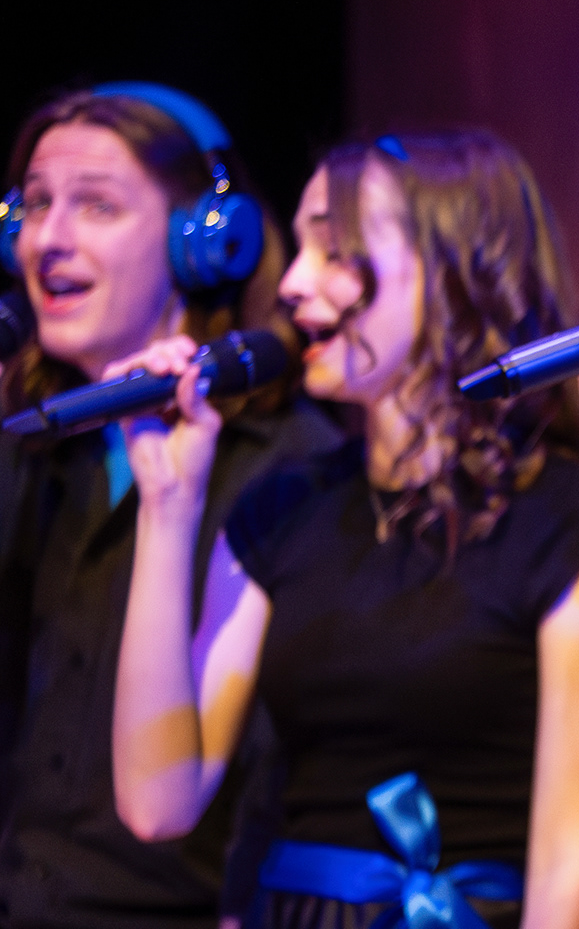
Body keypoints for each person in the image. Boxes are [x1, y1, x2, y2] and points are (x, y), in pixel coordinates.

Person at [109, 130, 579, 929]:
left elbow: (569, 860)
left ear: (457, 265)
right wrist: (168, 507)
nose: (294, 284)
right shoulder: (284, 505)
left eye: (338, 249)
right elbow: (156, 802)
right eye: (302, 246)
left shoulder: (561, 509)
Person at [0, 85, 339, 929]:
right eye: (34, 205)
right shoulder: (26, 449)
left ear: (205, 245)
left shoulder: (291, 468)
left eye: (95, 206)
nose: (47, 240)